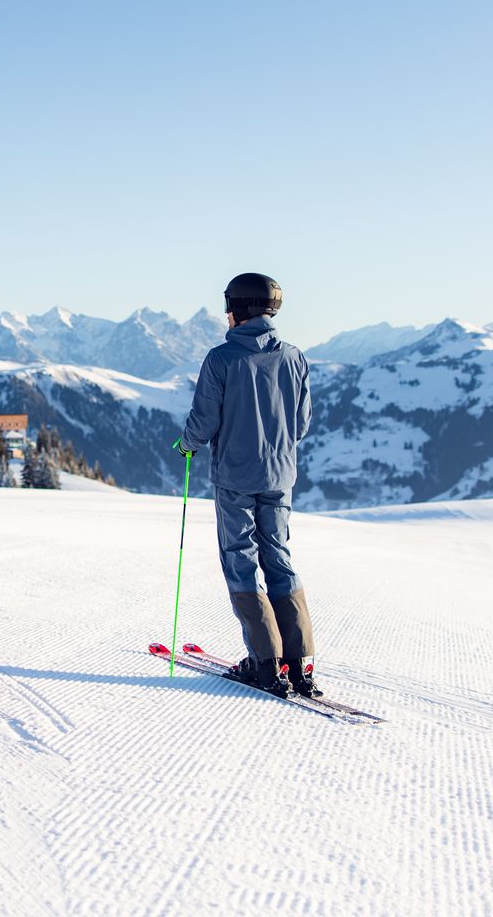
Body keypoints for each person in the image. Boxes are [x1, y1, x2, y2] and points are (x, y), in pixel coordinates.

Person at [175, 273, 318, 698]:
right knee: (279, 558)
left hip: (236, 477)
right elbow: (302, 422)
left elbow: (203, 421)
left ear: (236, 308)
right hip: (280, 476)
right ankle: (300, 660)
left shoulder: (221, 359)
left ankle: (264, 661)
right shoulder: (294, 356)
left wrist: (187, 446)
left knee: (241, 559)